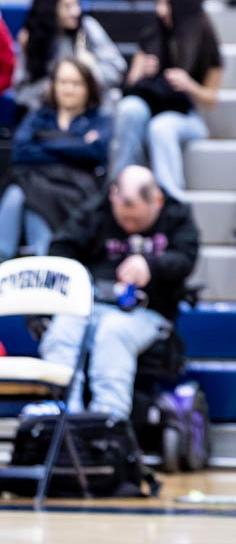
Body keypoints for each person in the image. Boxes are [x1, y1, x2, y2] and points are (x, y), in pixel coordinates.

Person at [29, 166, 199, 422]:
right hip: (92, 305)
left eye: (138, 221)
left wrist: (152, 265)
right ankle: (60, 412)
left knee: (113, 332)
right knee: (63, 329)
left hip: (147, 312)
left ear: (157, 201)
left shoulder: (176, 216)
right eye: (124, 219)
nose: (130, 226)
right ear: (113, 196)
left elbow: (186, 259)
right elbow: (61, 250)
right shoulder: (96, 211)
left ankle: (109, 419)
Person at [111, 0, 223, 202]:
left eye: (167, 3)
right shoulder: (150, 35)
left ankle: (171, 200)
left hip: (186, 116)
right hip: (148, 106)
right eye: (159, 2)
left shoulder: (205, 41)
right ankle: (121, 187)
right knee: (129, 109)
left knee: (161, 127)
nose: (160, 10)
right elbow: (128, 87)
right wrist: (139, 72)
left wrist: (189, 85)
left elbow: (211, 100)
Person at [0, 59, 111, 261]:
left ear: (88, 87)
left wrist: (43, 140)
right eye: (63, 82)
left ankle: (43, 257)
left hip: (75, 191)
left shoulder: (100, 120)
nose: (69, 89)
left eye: (76, 83)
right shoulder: (37, 117)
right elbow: (20, 152)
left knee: (26, 192)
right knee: (20, 192)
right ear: (53, 85)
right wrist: (74, 144)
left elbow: (94, 152)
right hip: (33, 182)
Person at [12, 0, 125, 112]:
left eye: (76, 4)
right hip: (48, 113)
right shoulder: (30, 38)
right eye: (67, 6)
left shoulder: (87, 27)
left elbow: (118, 70)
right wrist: (53, 88)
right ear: (50, 9)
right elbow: (21, 93)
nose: (75, 12)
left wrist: (90, 70)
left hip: (93, 110)